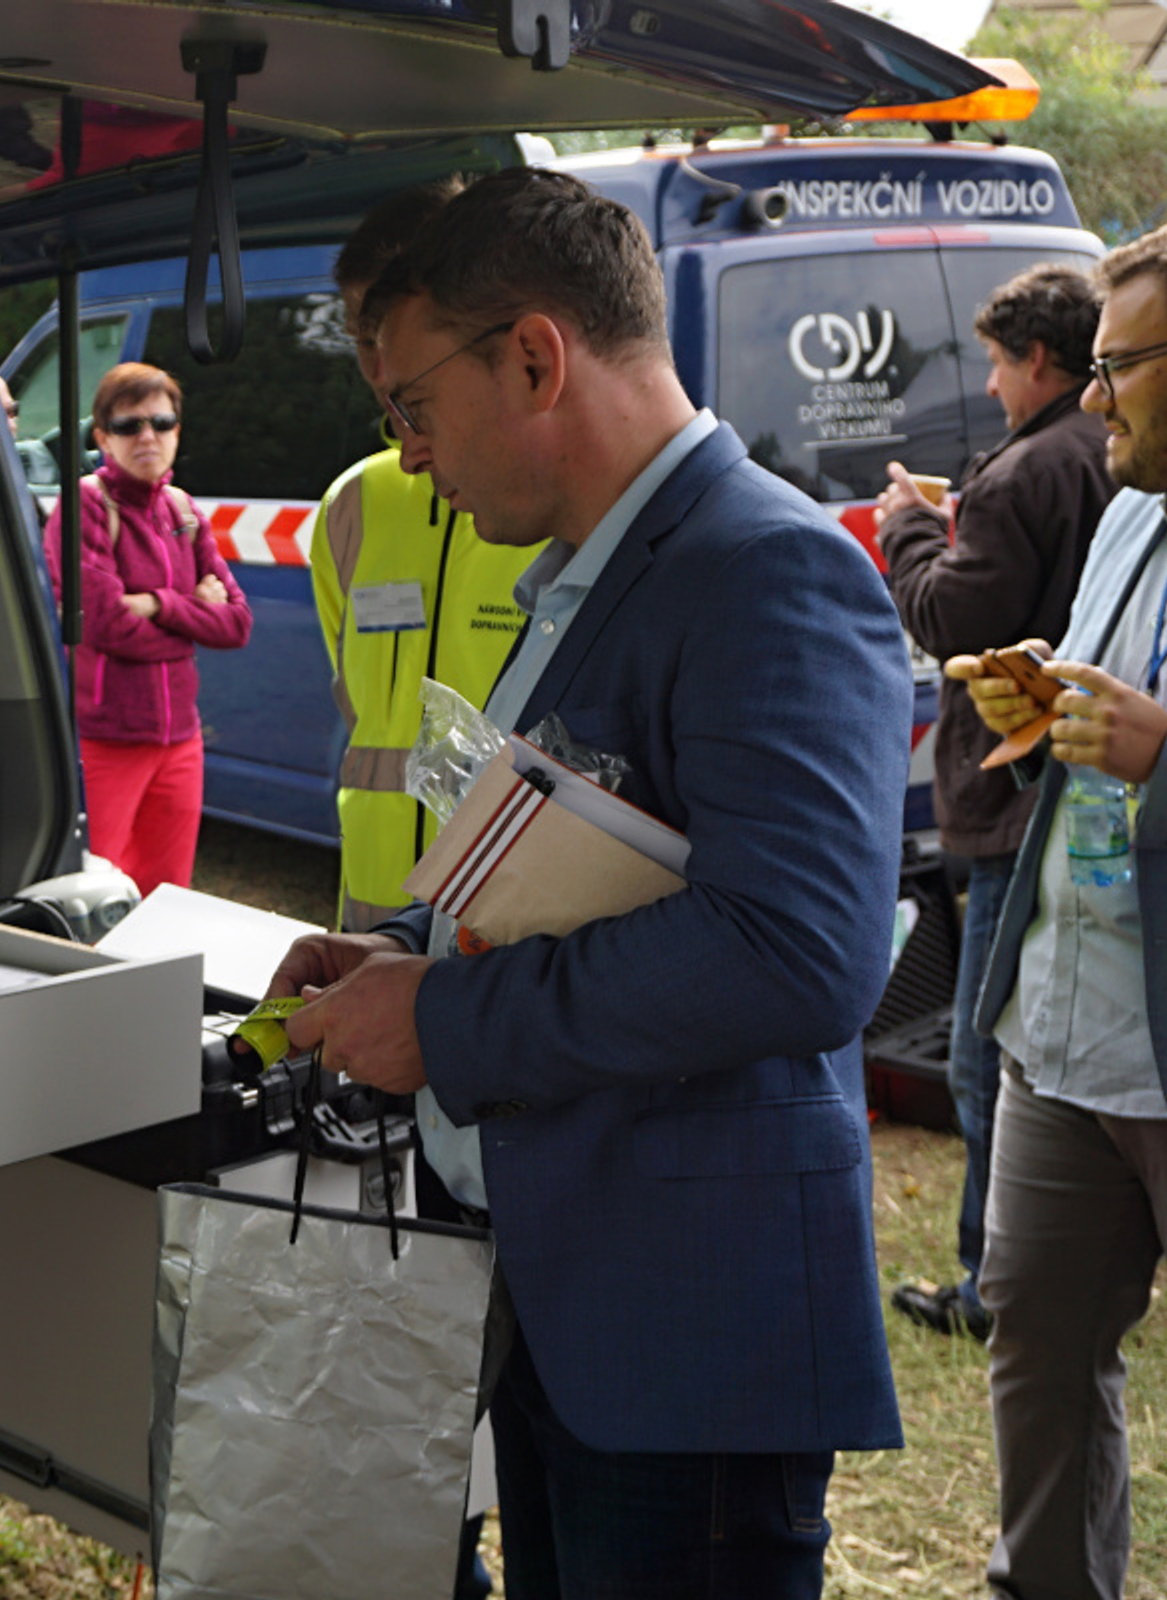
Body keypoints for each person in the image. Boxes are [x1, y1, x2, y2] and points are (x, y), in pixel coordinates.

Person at [272, 167, 911, 1597]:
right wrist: (406, 950)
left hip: (684, 1324)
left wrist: (444, 1026)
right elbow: (578, 862)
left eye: (415, 411)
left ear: (538, 356)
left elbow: (797, 949)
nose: (414, 459)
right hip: (578, 1282)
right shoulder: (598, 569)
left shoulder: (763, 571)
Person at [949, 216, 1167, 1600]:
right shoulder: (1124, 518)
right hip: (1062, 1032)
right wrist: (1044, 687)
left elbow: (1161, 736)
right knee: (1035, 1352)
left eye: (1127, 366)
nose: (1092, 398)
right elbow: (1110, 702)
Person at [877, 262, 1115, 1344]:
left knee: (986, 1049)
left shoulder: (1028, 472)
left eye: (993, 363)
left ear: (1037, 360)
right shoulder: (1104, 454)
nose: (985, 387)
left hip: (1019, 793)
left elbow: (951, 618)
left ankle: (990, 1283)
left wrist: (909, 529)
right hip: (1089, 791)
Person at [316, 180, 539, 933]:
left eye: (390, 335)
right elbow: (355, 708)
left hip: (501, 932)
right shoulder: (353, 504)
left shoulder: (550, 506)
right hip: (373, 923)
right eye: (358, 337)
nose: (378, 370)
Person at [43, 361, 251, 894]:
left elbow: (237, 624)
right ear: (102, 438)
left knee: (168, 896)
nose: (147, 437)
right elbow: (107, 625)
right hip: (106, 739)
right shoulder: (85, 505)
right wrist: (192, 610)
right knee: (100, 894)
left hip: (181, 739)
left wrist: (159, 604)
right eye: (128, 425)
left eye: (161, 423)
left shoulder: (183, 511)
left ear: (178, 432)